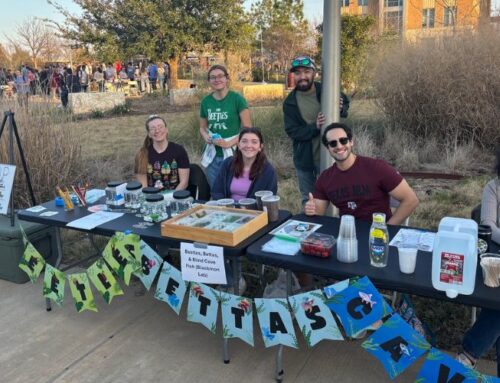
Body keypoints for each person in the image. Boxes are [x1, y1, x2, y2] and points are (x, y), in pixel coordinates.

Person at [305, 123, 419, 225]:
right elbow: (317, 214)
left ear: (351, 142)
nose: (339, 146)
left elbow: (411, 200)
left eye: (343, 140)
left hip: (377, 232)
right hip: (347, 232)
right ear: (327, 148)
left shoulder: (377, 168)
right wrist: (311, 210)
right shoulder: (325, 178)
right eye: (333, 143)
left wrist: (387, 229)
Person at [283, 55, 350, 204]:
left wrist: (340, 107)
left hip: (332, 156)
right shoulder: (290, 102)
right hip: (305, 160)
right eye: (298, 73)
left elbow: (344, 103)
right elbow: (292, 131)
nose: (302, 77)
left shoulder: (327, 90)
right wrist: (316, 127)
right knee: (309, 200)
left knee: (338, 197)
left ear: (314, 73)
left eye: (306, 72)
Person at [457, 148, 500, 376]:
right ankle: (469, 354)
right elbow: (488, 225)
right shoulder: (494, 187)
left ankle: (469, 355)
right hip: (495, 256)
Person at [199, 64, 251, 189]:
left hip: (233, 154)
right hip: (213, 155)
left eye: (220, 76)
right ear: (209, 81)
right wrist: (206, 136)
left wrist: (228, 144)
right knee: (217, 192)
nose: (217, 80)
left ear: (227, 78)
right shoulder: (206, 102)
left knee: (234, 191)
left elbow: (248, 129)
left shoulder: (237, 99)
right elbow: (202, 127)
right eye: (213, 77)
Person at [211, 127, 277, 201]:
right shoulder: (228, 164)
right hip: (227, 209)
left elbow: (268, 199)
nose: (248, 145)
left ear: (260, 147)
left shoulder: (268, 171)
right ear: (239, 145)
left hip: (253, 211)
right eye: (244, 141)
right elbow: (217, 192)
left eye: (254, 142)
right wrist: (226, 207)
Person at [135, 115, 190, 191]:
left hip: (174, 196)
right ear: (149, 134)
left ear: (166, 130)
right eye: (153, 128)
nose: (157, 130)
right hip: (151, 198)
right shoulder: (142, 154)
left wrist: (170, 198)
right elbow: (143, 187)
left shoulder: (179, 150)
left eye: (160, 127)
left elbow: (184, 183)